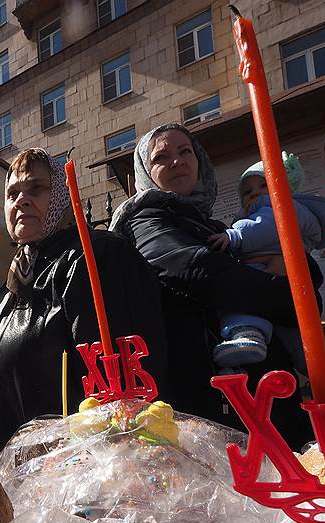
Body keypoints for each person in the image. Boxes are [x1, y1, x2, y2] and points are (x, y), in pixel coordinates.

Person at [109, 123, 313, 449]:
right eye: (161, 157)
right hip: (209, 394)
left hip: (257, 383)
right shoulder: (146, 220)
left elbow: (295, 263)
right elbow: (203, 273)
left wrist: (303, 278)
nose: (177, 161)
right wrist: (294, 296)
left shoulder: (214, 225)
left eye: (184, 151)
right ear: (146, 171)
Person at [0, 149, 169, 447]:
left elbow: (121, 392)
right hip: (12, 476)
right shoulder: (10, 285)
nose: (21, 200)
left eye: (36, 188)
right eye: (12, 193)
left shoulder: (93, 257)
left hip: (75, 476)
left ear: (63, 195)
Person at [207, 152, 325, 375]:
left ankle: (246, 334)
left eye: (263, 185)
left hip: (264, 266)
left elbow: (266, 225)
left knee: (242, 298)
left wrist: (235, 236)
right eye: (247, 191)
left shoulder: (281, 208)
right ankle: (320, 363)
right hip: (280, 276)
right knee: (291, 331)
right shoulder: (264, 212)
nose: (255, 193)